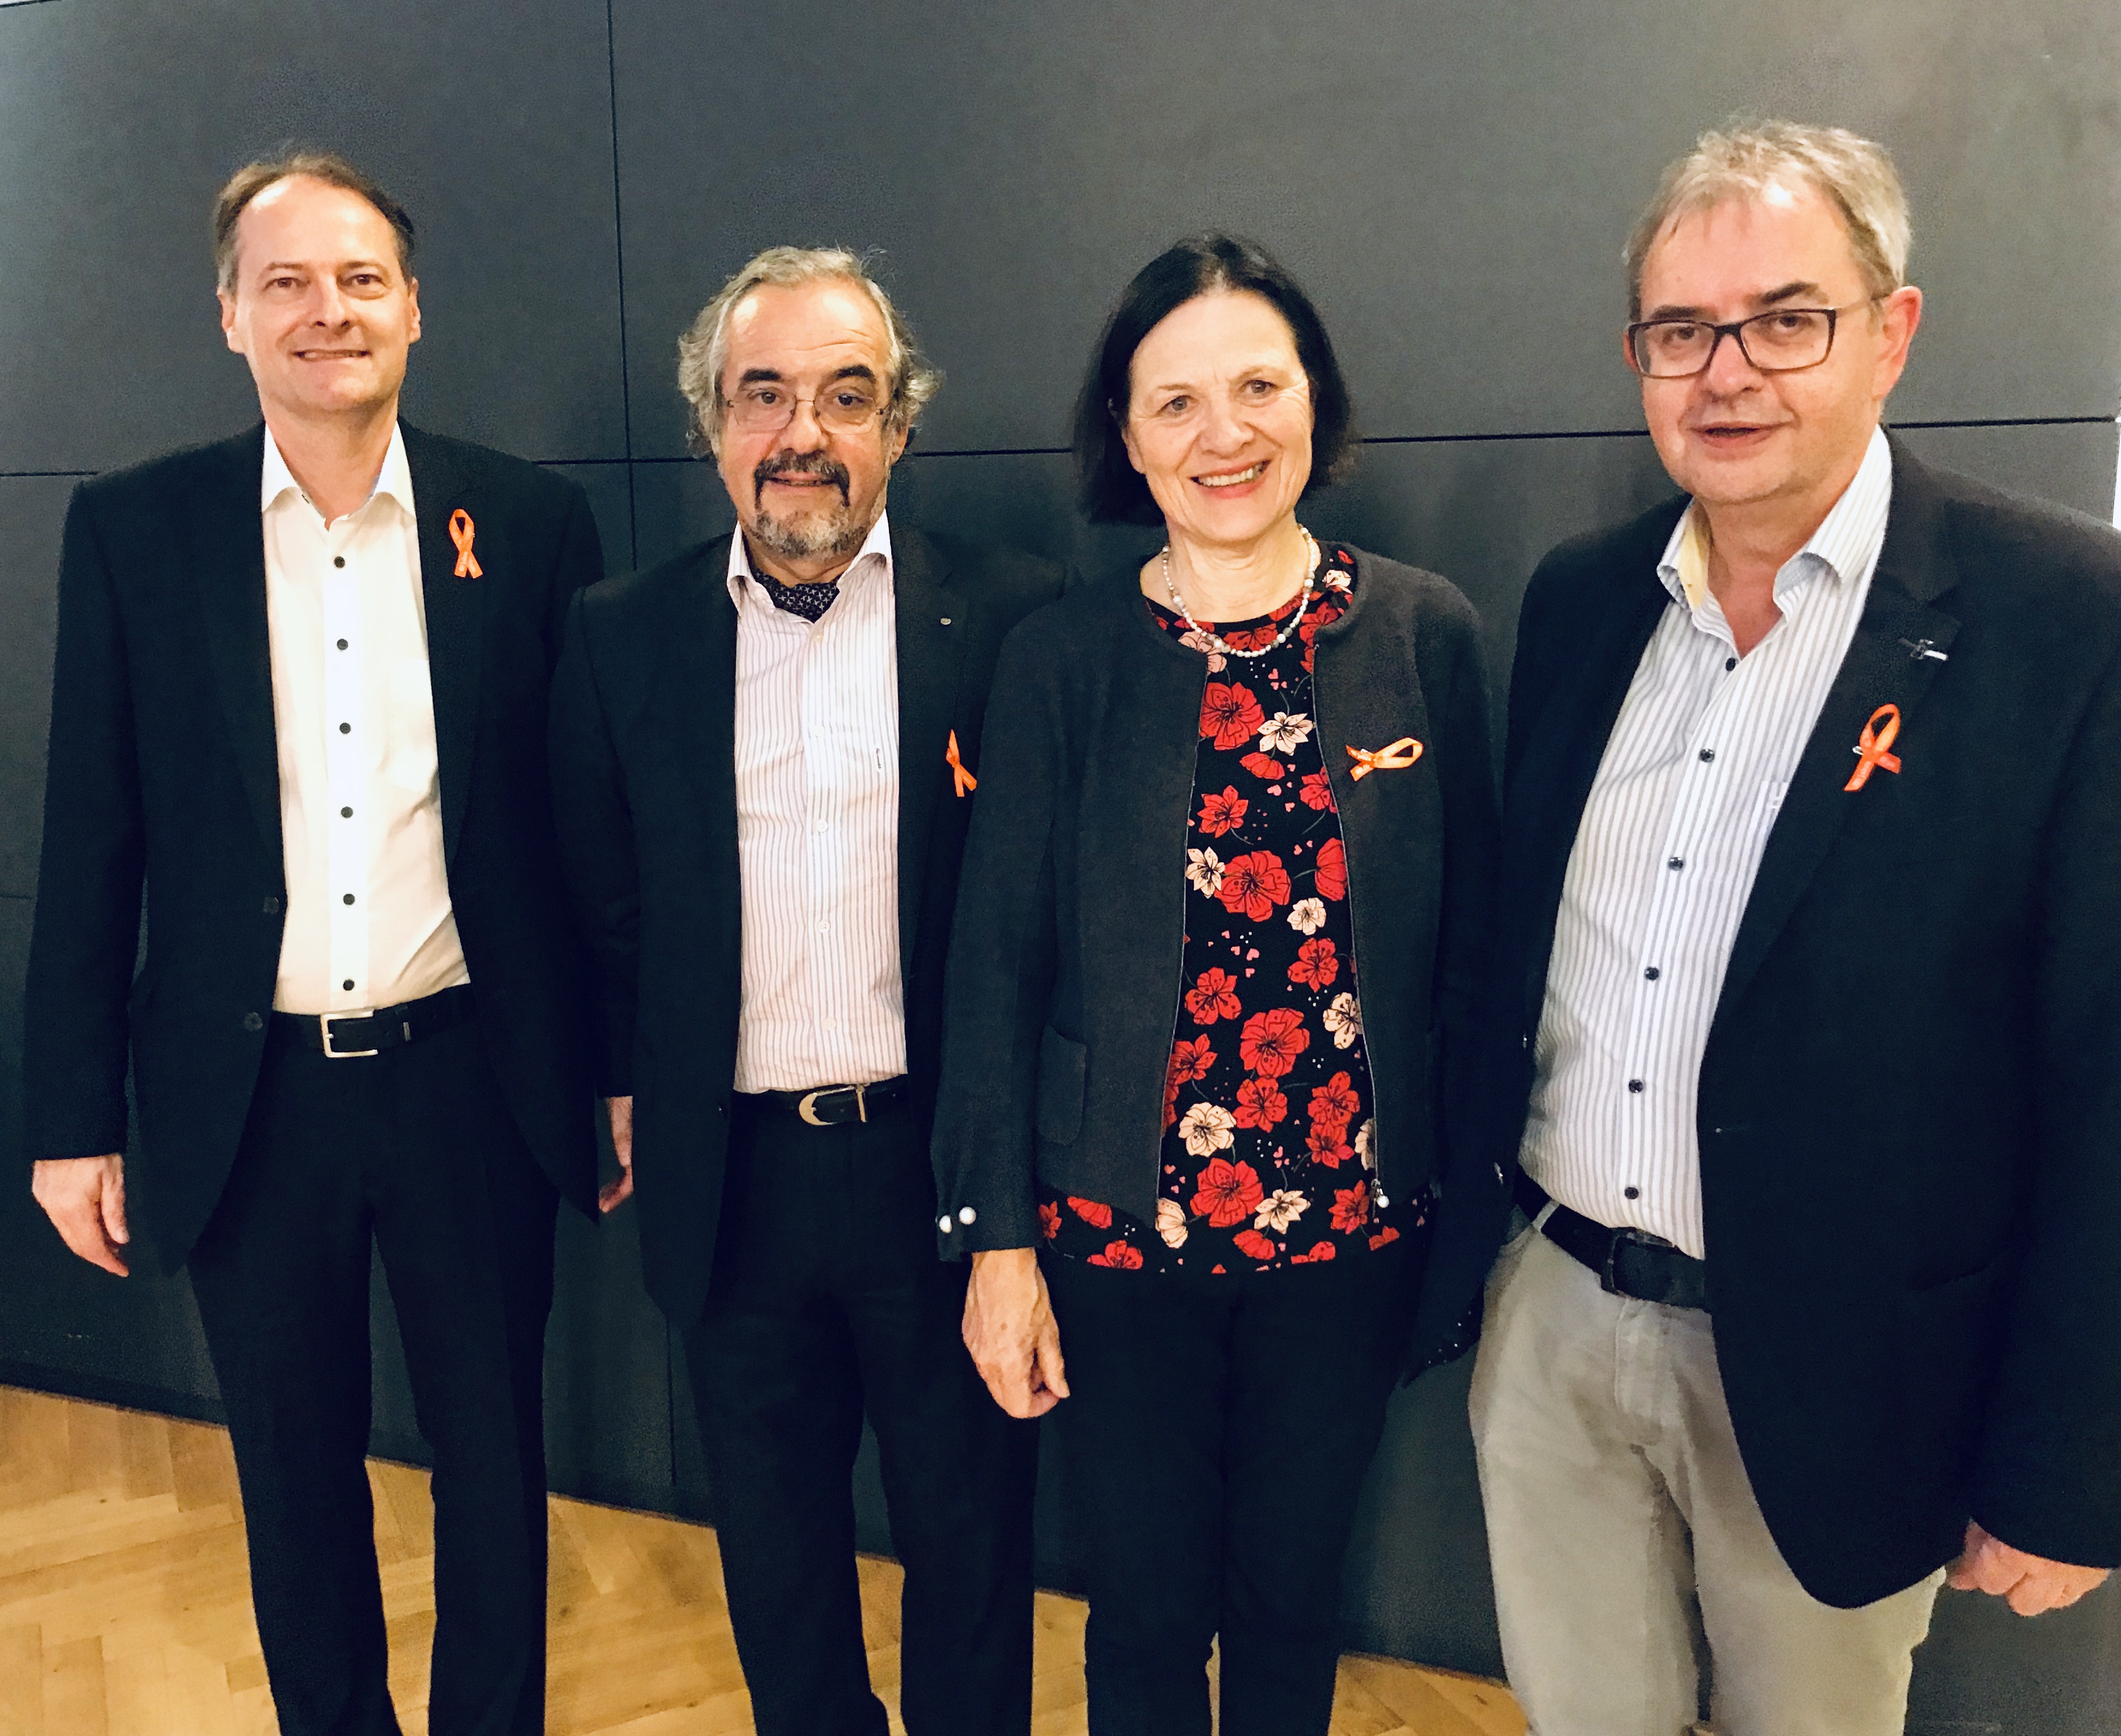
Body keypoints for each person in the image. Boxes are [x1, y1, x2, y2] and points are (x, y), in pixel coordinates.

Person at [1469, 119, 2121, 1735]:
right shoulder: (1581, 598)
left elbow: (2106, 1076)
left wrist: (2069, 1464)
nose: (1727, 373)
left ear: (1890, 331)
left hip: (1850, 1368)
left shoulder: (2065, 620)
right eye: (1680, 331)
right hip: (1556, 1319)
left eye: (1784, 319)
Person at [23, 153, 605, 1735]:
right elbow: (92, 836)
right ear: (230, 315)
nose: (325, 310)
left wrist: (611, 1071)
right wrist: (71, 1120)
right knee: (291, 1474)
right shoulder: (136, 531)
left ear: (414, 307)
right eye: (284, 281)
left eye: (358, 279)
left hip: (470, 1078)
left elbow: (580, 838)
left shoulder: (529, 524)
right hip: (248, 1096)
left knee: (496, 1462)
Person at [932, 233, 1501, 1736]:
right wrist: (997, 1245)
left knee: (1293, 1600)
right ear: (1126, 439)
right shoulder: (1062, 658)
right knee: (1142, 1615)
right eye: (1174, 402)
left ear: (1315, 401)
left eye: (1258, 386)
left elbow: (1472, 954)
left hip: (1349, 1235)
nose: (1222, 433)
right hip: (1119, 1236)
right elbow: (994, 967)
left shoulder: (1422, 633)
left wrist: (1466, 1215)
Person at [548, 246, 1061, 1736]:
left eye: (846, 394)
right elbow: (604, 900)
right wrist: (624, 1082)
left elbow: (1043, 920)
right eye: (762, 394)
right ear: (714, 423)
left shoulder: (1013, 616)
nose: (802, 433)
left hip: (941, 1172)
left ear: (900, 424)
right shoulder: (621, 633)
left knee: (974, 1549)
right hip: (737, 1180)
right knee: (777, 1568)